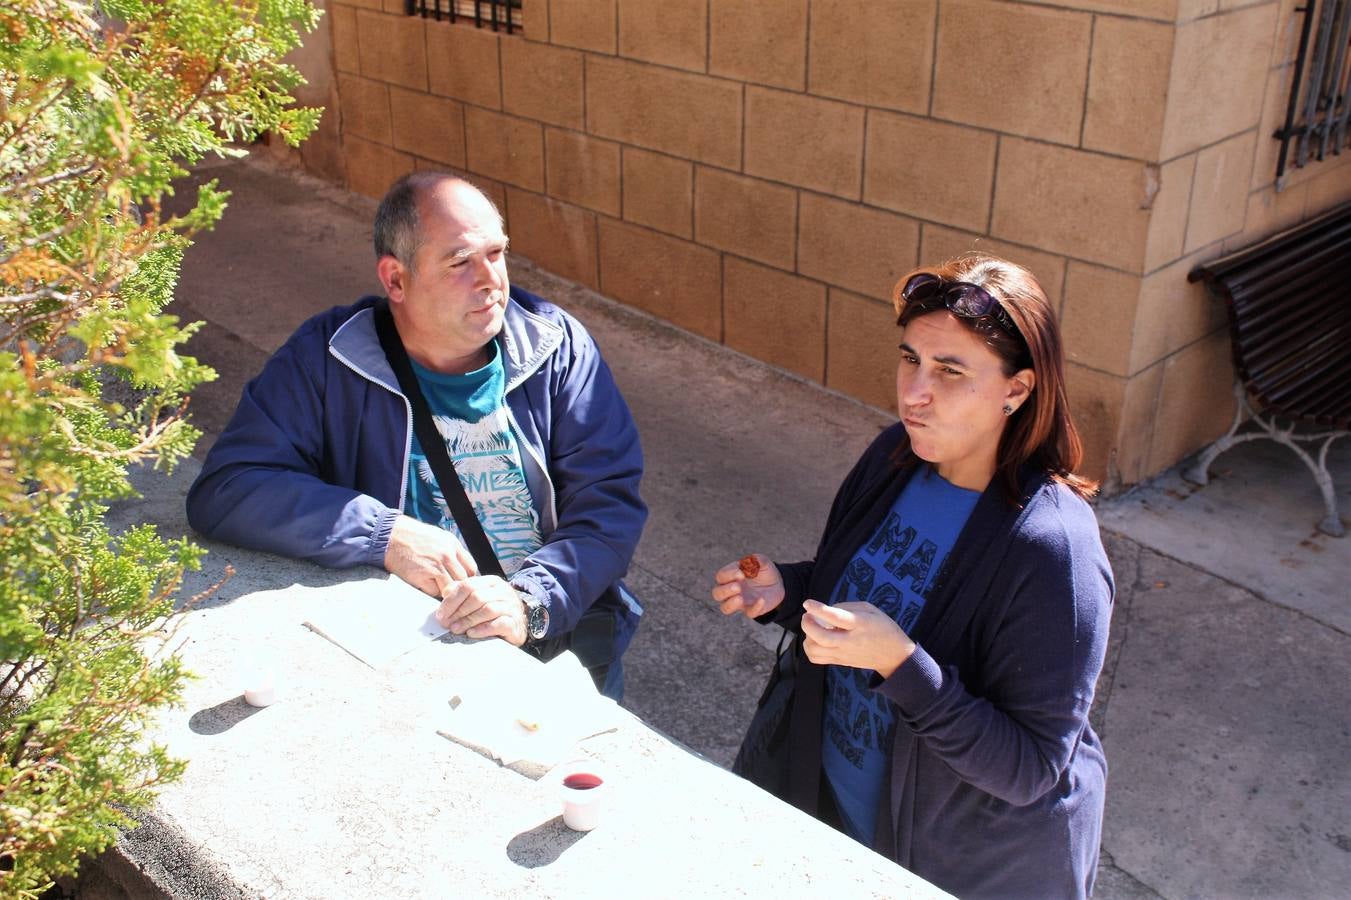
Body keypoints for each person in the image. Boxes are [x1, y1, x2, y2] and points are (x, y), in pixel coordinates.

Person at [712, 255, 1113, 897]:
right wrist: (788, 590)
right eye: (910, 359)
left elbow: (1031, 767)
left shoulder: (1054, 549)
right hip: (837, 811)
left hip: (956, 864)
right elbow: (866, 588)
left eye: (950, 371)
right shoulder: (893, 457)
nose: (914, 392)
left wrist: (902, 666)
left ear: (1018, 389)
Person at [187, 172, 646, 699]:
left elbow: (608, 505)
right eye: (460, 262)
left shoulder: (556, 347)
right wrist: (382, 533)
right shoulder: (327, 357)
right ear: (396, 280)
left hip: (554, 646)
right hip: (411, 655)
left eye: (496, 253)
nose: (491, 279)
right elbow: (229, 490)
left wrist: (531, 600)